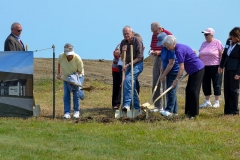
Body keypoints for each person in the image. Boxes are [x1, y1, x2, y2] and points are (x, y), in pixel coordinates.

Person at [163, 35, 205, 119]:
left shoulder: (178, 50)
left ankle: (194, 114)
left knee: (193, 91)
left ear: (173, 44)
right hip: (192, 71)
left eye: (168, 46)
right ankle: (188, 112)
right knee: (188, 90)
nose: (168, 48)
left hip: (198, 69)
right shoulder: (179, 47)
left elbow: (181, 67)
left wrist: (176, 80)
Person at [120, 26, 144, 114]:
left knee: (128, 80)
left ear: (132, 33)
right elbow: (122, 57)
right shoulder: (123, 42)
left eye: (127, 33)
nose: (126, 35)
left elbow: (139, 57)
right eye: (124, 34)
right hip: (128, 64)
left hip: (137, 64)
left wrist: (129, 64)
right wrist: (123, 51)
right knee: (130, 85)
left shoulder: (137, 41)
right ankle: (137, 108)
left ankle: (127, 104)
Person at [57, 43, 84, 119]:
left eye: (70, 54)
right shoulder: (61, 56)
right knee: (66, 94)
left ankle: (76, 111)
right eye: (68, 55)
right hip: (66, 77)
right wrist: (58, 74)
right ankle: (67, 112)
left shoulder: (78, 59)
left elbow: (79, 71)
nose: (69, 56)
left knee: (76, 93)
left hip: (77, 76)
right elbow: (59, 63)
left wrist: (72, 80)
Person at [150, 22, 172, 112]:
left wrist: (159, 52)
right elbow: (152, 45)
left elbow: (171, 48)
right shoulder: (154, 35)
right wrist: (152, 50)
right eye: (152, 32)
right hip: (156, 58)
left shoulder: (168, 34)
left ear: (159, 28)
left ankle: (165, 106)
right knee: (155, 81)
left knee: (164, 82)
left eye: (155, 31)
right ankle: (157, 106)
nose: (154, 33)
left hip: (165, 59)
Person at [199, 28, 224, 108]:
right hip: (204, 66)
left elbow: (221, 55)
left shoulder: (217, 42)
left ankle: (217, 101)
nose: (205, 36)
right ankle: (207, 101)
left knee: (216, 83)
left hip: (215, 65)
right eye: (204, 35)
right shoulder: (203, 43)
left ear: (211, 35)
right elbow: (200, 54)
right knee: (205, 83)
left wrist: (221, 66)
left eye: (207, 34)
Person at [157, 32, 180, 117]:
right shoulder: (164, 48)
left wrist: (163, 75)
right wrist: (162, 67)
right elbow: (163, 59)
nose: (163, 45)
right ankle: (174, 112)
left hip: (175, 72)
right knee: (171, 91)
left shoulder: (170, 49)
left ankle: (169, 110)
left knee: (171, 91)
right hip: (168, 70)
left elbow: (171, 63)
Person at [219, 27, 240, 115]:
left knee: (233, 90)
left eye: (235, 37)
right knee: (226, 89)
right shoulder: (228, 41)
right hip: (227, 68)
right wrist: (221, 66)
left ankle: (234, 110)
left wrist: (238, 73)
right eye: (232, 36)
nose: (233, 38)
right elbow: (224, 55)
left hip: (235, 70)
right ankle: (227, 110)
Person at [112, 44, 121, 109]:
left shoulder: (136, 44)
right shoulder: (121, 44)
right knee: (116, 86)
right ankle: (116, 104)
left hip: (128, 68)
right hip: (117, 68)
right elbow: (115, 53)